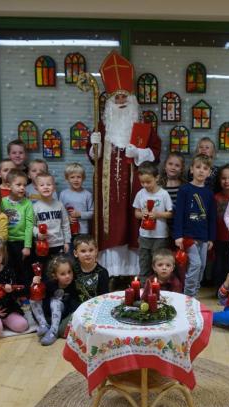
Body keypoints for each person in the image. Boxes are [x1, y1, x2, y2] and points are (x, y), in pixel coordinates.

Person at [87, 50, 161, 277]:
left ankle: (133, 273)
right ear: (109, 103)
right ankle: (110, 273)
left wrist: (139, 152)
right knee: (112, 225)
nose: (120, 102)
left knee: (132, 222)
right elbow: (93, 158)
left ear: (131, 100)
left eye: (124, 97)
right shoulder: (102, 128)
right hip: (108, 192)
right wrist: (94, 144)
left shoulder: (142, 128)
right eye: (116, 98)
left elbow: (156, 153)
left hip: (136, 188)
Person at [173, 153, 217, 297]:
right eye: (198, 167)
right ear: (191, 169)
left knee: (202, 266)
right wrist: (178, 235)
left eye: (205, 168)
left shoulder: (209, 194)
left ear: (209, 172)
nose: (201, 170)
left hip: (203, 237)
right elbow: (178, 213)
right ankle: (189, 295)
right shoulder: (184, 190)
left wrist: (211, 238)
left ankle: (195, 293)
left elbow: (211, 218)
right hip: (188, 236)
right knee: (196, 264)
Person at [133, 162, 173, 283]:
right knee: (144, 262)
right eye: (142, 182)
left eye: (148, 182)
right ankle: (143, 288)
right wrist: (142, 214)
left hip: (160, 236)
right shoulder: (140, 194)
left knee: (159, 262)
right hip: (144, 235)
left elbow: (170, 213)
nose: (145, 185)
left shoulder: (163, 194)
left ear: (157, 178)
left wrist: (157, 214)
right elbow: (136, 213)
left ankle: (159, 287)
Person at [31, 255, 80, 346]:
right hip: (48, 313)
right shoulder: (49, 284)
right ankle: (43, 325)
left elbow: (74, 305)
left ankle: (53, 331)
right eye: (63, 274)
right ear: (55, 275)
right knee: (33, 299)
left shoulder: (74, 285)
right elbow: (38, 295)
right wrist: (35, 284)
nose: (67, 276)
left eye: (69, 272)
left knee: (55, 302)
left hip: (63, 314)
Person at [32, 173, 71, 272]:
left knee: (59, 269)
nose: (45, 187)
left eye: (49, 184)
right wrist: (37, 233)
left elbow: (65, 224)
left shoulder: (59, 205)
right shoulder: (35, 207)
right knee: (44, 270)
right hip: (42, 246)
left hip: (58, 244)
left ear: (54, 187)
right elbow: (31, 226)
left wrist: (67, 241)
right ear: (36, 188)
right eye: (42, 185)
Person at [1, 169, 34, 284]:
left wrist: (27, 246)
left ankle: (24, 295)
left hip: (21, 242)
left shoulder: (27, 203)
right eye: (18, 185)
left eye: (24, 185)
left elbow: (30, 225)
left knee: (23, 270)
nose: (22, 188)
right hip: (6, 242)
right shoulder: (2, 202)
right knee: (8, 269)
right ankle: (12, 294)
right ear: (9, 186)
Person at [212, 164, 229, 292]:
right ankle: (220, 290)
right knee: (219, 265)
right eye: (223, 178)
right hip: (218, 237)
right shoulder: (215, 197)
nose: (227, 181)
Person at [58, 162, 94, 244]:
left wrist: (79, 214)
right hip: (67, 230)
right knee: (69, 252)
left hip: (83, 231)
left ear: (83, 178)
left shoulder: (88, 195)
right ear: (67, 178)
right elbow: (60, 211)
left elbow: (92, 213)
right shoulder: (63, 194)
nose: (76, 180)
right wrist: (67, 218)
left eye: (79, 177)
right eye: (72, 177)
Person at [72, 235, 110, 302]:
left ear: (96, 251)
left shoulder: (102, 272)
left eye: (91, 250)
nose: (88, 254)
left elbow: (104, 296)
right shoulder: (73, 270)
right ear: (75, 253)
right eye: (83, 251)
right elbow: (71, 294)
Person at [158, 151, 186, 236]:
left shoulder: (184, 186)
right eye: (170, 164)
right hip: (162, 226)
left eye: (177, 165)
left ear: (181, 169)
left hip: (179, 228)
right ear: (165, 166)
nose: (173, 167)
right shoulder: (159, 185)